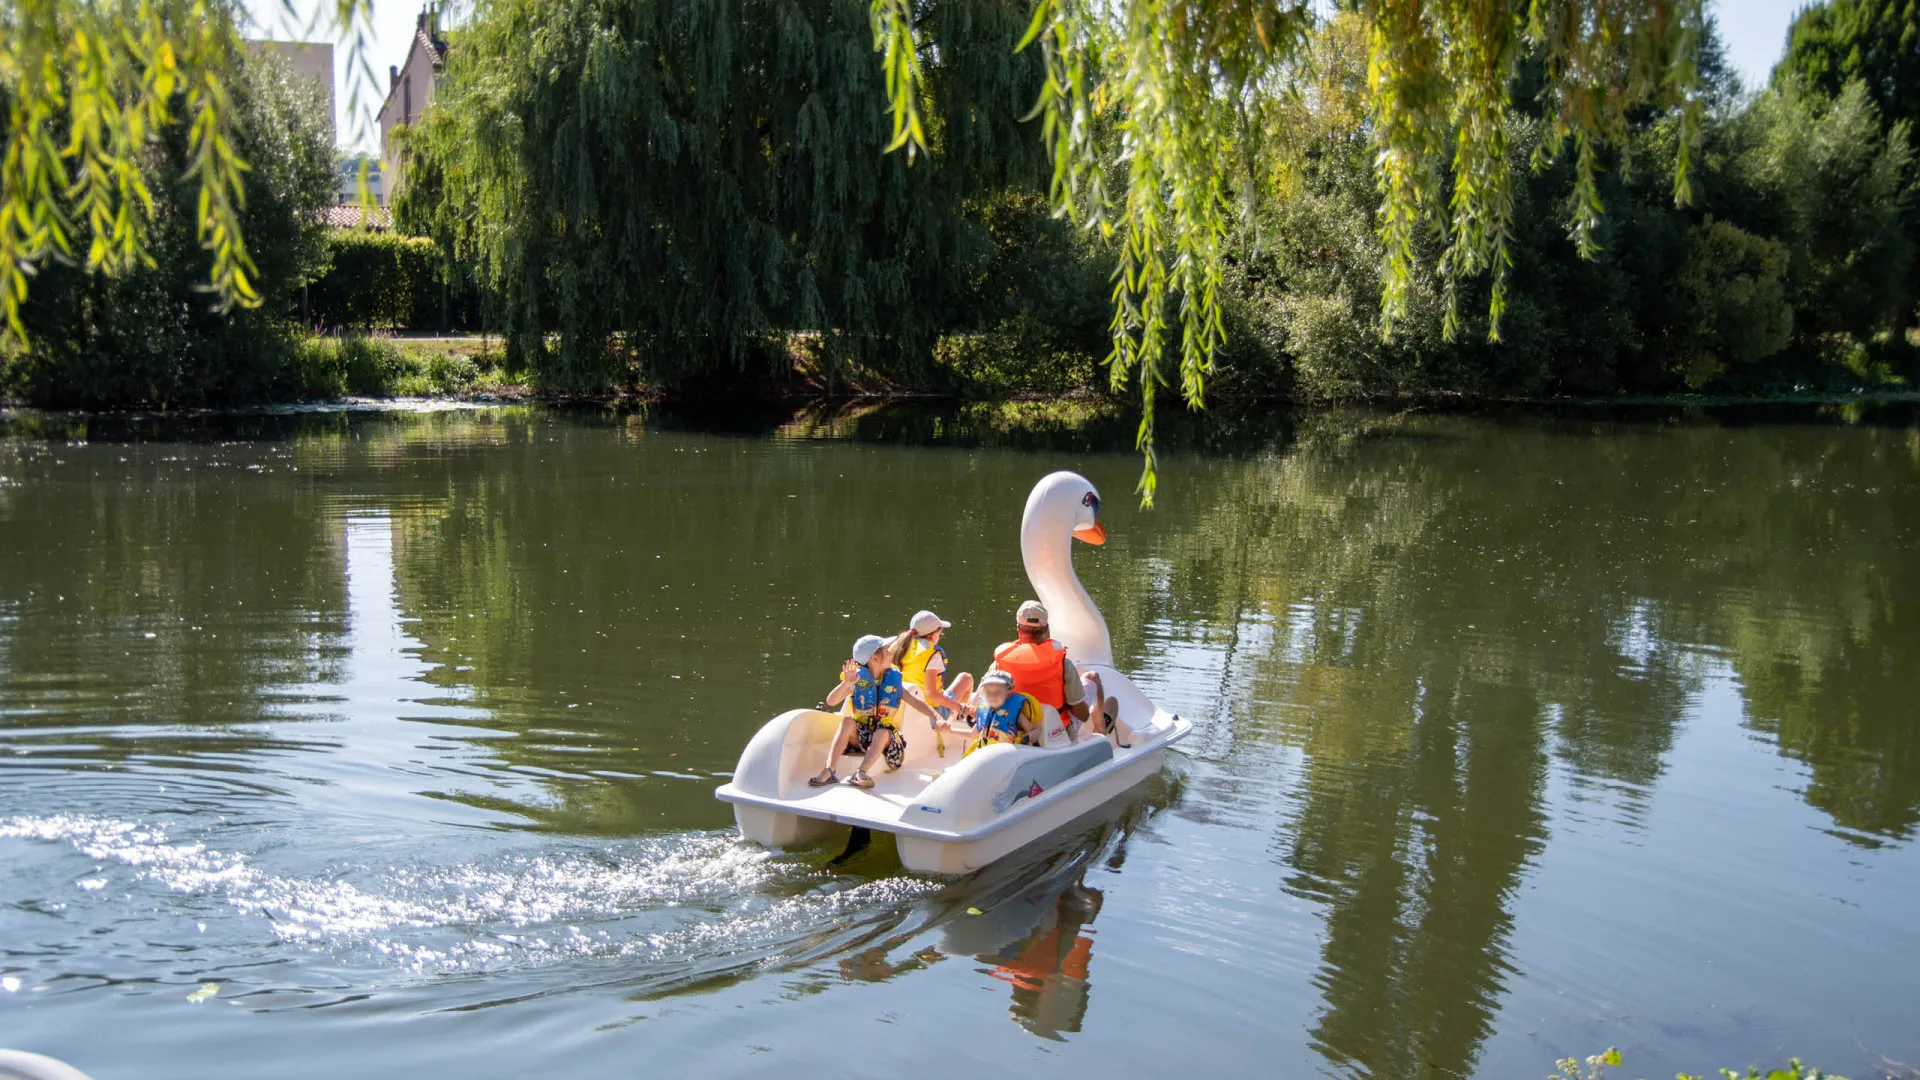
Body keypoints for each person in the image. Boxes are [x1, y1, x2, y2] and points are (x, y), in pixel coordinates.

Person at [808, 633, 936, 789]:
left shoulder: (892, 680)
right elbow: (831, 701)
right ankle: (829, 770)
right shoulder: (856, 679)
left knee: (881, 732)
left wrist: (936, 717)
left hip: (887, 740)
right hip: (862, 735)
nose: (891, 653)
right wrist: (846, 684)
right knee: (847, 721)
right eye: (887, 650)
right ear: (874, 658)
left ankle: (861, 772)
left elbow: (915, 702)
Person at [992, 600, 1090, 734]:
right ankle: (1102, 727)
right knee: (1092, 679)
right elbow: (1083, 715)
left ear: (1019, 629)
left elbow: (986, 703)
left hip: (1014, 733)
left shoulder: (1000, 663)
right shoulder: (1063, 664)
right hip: (1056, 735)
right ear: (1047, 628)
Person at [892, 609, 975, 755]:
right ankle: (958, 716)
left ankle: (956, 713)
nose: (940, 636)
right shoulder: (932, 655)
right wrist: (960, 706)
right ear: (932, 635)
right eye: (940, 633)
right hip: (931, 712)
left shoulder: (900, 646)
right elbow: (932, 695)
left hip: (902, 705)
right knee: (966, 678)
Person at [937, 669, 1042, 755]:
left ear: (1009, 692)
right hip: (983, 755)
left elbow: (1035, 730)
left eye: (998, 691)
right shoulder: (983, 709)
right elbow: (973, 734)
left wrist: (1028, 738)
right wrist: (950, 731)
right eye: (988, 692)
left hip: (1006, 757)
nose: (992, 696)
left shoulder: (1015, 713)